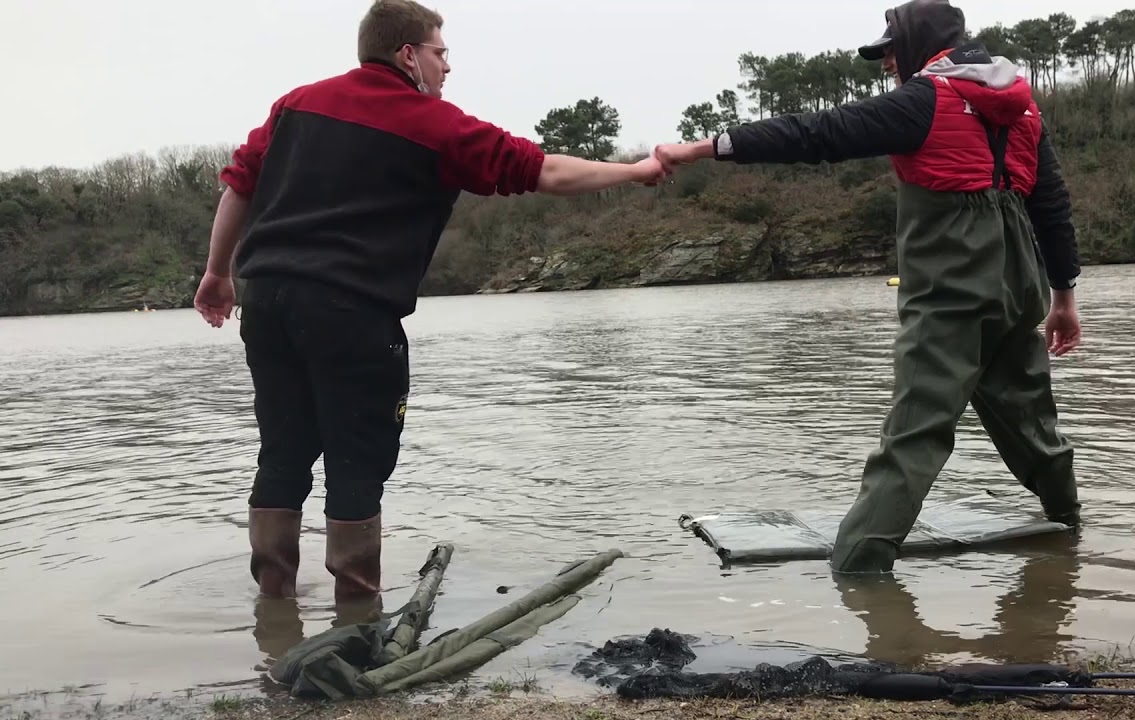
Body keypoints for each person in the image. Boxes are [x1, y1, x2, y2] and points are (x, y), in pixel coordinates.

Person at [193, 0, 669, 602]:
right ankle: (356, 623)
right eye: (441, 54)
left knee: (283, 451)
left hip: (267, 303)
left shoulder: (295, 105)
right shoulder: (432, 123)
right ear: (408, 54)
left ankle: (275, 606)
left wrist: (217, 273)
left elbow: (239, 183)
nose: (448, 68)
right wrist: (635, 170)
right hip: (352, 312)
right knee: (356, 461)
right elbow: (546, 172)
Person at [653, 0, 1082, 573]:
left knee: (915, 433)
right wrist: (1063, 298)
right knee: (1031, 422)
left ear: (919, 44)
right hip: (1019, 288)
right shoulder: (1022, 108)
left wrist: (704, 148)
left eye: (890, 52)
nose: (886, 65)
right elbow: (1049, 207)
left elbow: (819, 134)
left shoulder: (925, 101)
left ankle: (860, 577)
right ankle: (1073, 533)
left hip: (952, 292)